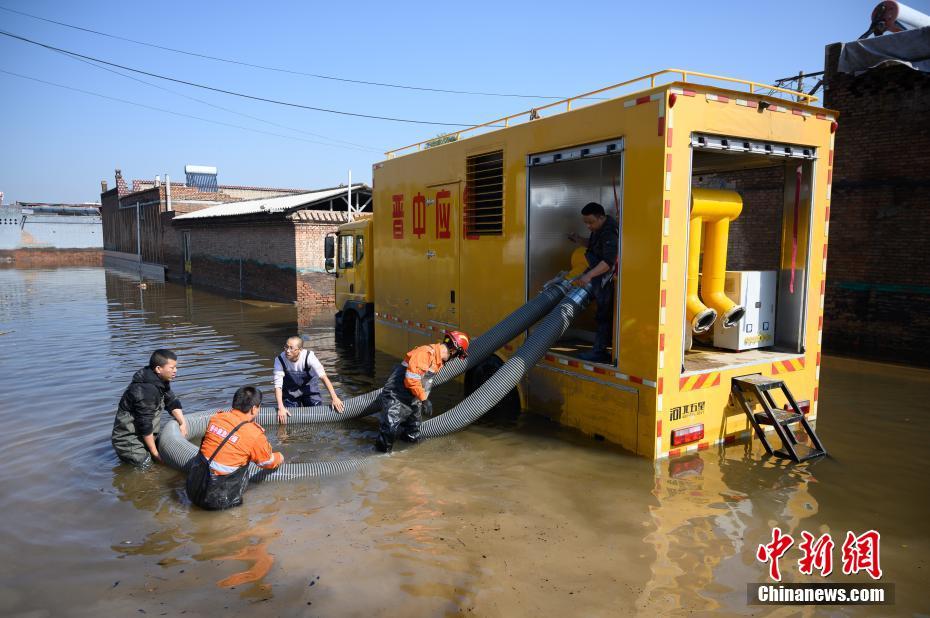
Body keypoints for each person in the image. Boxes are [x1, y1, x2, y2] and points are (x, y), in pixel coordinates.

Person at [186, 386, 284, 510]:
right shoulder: (253, 434)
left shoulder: (216, 418)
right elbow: (267, 462)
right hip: (219, 500)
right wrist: (280, 457)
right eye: (259, 407)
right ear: (254, 409)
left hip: (193, 489)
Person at [375, 330, 470, 453]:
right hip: (396, 394)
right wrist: (424, 399)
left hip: (414, 397)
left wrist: (421, 399)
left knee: (413, 431)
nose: (454, 359)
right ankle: (381, 459)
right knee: (389, 430)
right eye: (457, 355)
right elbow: (411, 380)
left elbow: (423, 381)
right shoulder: (425, 354)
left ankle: (406, 459)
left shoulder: (437, 360)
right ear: (453, 351)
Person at [112, 349, 187, 466]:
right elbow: (145, 424)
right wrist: (155, 454)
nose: (175, 371)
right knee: (147, 470)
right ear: (158, 369)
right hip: (130, 441)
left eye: (176, 367)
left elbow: (171, 401)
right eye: (172, 368)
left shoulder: (160, 380)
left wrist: (182, 423)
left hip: (144, 436)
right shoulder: (145, 390)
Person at [567, 201, 620, 363]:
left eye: (590, 222)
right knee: (600, 314)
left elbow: (608, 261)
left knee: (603, 315)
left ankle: (599, 352)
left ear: (601, 217)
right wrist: (579, 239)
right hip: (597, 273)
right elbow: (595, 246)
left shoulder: (609, 231)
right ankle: (600, 348)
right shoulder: (599, 228)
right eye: (586, 223)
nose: (588, 226)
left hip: (605, 278)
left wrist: (588, 276)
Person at [274, 336, 344, 423]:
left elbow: (323, 377)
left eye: (291, 348)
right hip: (291, 392)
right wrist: (280, 407)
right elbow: (278, 386)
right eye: (286, 347)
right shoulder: (279, 360)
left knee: (317, 418)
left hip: (309, 389)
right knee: (288, 417)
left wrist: (334, 398)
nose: (287, 351)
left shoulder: (309, 357)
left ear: (300, 350)